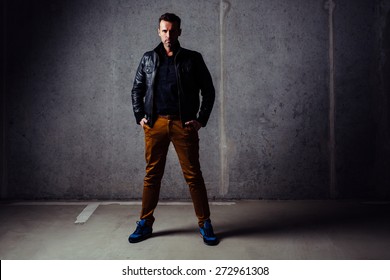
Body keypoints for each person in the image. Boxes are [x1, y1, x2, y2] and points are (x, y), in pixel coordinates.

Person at [129, 13, 218, 246]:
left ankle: (205, 222)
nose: (168, 35)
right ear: (158, 31)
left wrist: (200, 119)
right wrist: (140, 116)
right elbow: (137, 89)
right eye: (164, 30)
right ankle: (145, 223)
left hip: (183, 124)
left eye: (172, 30)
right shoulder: (148, 58)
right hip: (155, 124)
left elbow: (208, 91)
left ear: (179, 32)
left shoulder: (192, 59)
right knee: (152, 175)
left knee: (193, 176)